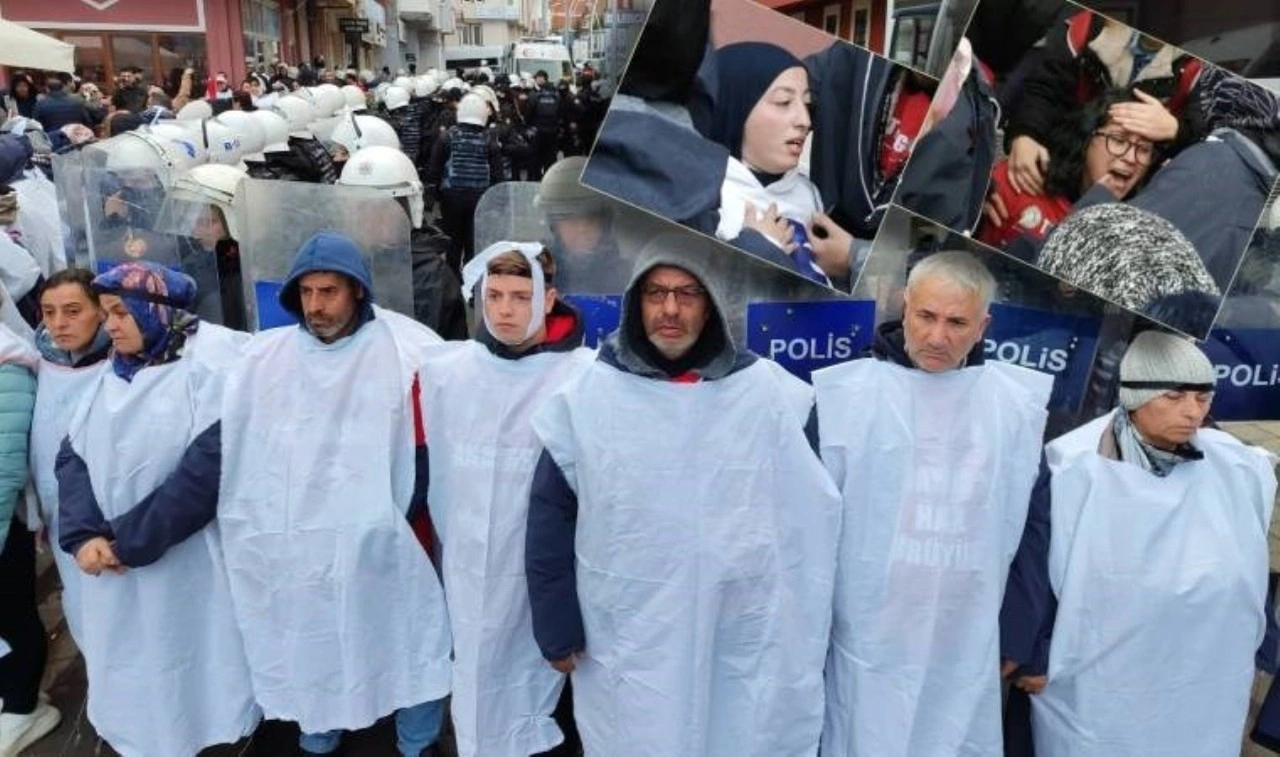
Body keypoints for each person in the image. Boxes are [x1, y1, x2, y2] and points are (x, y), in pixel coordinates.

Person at [525, 233, 842, 756]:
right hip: (628, 636)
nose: (670, 309)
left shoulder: (769, 394)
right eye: (656, 293)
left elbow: (812, 515)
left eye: (688, 294)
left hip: (737, 636)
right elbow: (549, 516)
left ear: (712, 305)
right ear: (635, 303)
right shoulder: (589, 396)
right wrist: (555, 626)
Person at [216, 232, 452, 757]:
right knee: (314, 631)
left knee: (410, 631)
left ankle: (418, 741)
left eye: (329, 292)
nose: (316, 306)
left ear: (358, 292)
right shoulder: (266, 359)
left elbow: (430, 444)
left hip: (392, 526)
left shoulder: (408, 348)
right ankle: (319, 728)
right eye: (307, 293)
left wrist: (389, 517)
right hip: (301, 535)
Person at [812, 251, 1054, 757]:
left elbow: (1032, 528)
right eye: (926, 316)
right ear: (905, 305)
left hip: (965, 645)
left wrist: (1017, 634)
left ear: (983, 325)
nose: (938, 337)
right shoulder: (845, 396)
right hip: (863, 641)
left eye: (957, 322)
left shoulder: (1013, 408)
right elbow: (805, 524)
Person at [1030, 330, 1276, 756]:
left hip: (1201, 681)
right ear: (1132, 396)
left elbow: (1248, 569)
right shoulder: (1072, 466)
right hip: (1101, 680)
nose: (1192, 412)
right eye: (1175, 396)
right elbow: (1036, 568)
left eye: (1203, 397)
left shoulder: (1237, 465)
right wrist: (1035, 652)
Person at [55, 261, 258, 756]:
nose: (112, 325)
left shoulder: (207, 373)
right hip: (110, 562)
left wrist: (130, 541)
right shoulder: (113, 374)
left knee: (191, 661)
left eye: (123, 312)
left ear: (158, 311)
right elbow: (73, 454)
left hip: (183, 563)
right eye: (107, 314)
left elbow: (203, 474)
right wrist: (84, 535)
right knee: (130, 663)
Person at [421, 242, 593, 757]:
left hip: (545, 573)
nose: (504, 309)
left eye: (521, 296)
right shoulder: (448, 373)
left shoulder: (583, 377)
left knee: (540, 699)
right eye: (494, 295)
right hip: (467, 567)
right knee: (473, 684)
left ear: (549, 299)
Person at [707, 42, 853, 287]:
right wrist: (754, 250)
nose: (805, 121)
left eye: (807, 104)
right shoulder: (701, 200)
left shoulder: (810, 193)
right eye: (784, 102)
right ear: (734, 109)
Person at [28, 270, 112, 648]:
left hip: (111, 516)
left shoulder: (122, 362)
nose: (59, 323)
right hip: (58, 515)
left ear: (100, 310)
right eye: (49, 312)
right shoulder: (34, 364)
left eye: (73, 310)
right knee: (81, 607)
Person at [978, 90, 1158, 250]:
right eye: (1119, 140)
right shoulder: (1021, 179)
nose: (1131, 158)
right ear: (1086, 139)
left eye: (1143, 149)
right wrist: (973, 202)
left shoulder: (1133, 236)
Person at [337, 145, 467, 339]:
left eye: (378, 208)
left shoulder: (428, 276)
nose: (364, 218)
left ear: (406, 212)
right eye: (357, 206)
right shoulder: (343, 259)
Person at [0, 293, 45, 757]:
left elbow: (5, 465)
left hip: (3, 521)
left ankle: (25, 706)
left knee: (11, 611)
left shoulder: (7, 363)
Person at [427, 93, 502, 276]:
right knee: (472, 243)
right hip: (479, 198)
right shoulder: (489, 139)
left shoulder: (447, 137)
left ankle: (453, 280)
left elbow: (434, 170)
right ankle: (471, 283)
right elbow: (497, 174)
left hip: (451, 197)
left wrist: (435, 196)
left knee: (453, 242)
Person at [536, 157, 627, 295]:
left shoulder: (627, 276)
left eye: (591, 219)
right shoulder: (535, 272)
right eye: (570, 219)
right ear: (554, 226)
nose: (581, 229)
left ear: (605, 223)